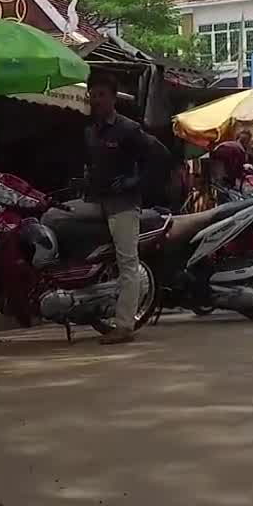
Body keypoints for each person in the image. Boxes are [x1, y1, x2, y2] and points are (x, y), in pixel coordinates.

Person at [74, 69, 170, 345]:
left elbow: (160, 157)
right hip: (95, 204)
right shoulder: (89, 132)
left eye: (102, 95)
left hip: (123, 206)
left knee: (127, 263)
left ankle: (124, 325)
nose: (96, 100)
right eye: (92, 95)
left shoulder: (129, 129)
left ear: (113, 98)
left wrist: (133, 182)